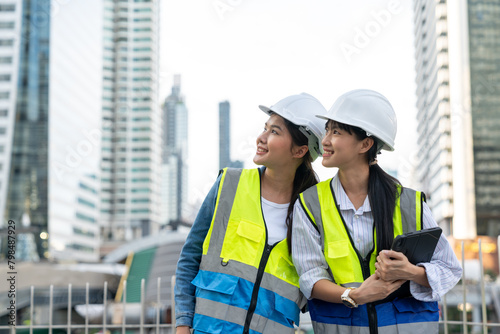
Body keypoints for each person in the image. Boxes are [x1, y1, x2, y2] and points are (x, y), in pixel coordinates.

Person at [291, 89, 462, 334]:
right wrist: (355, 295)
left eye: (336, 131)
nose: (325, 140)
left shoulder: (408, 202)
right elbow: (309, 277)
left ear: (366, 144)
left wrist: (410, 272)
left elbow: (449, 268)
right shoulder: (309, 204)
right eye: (327, 129)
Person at [174, 93, 327, 334]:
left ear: (299, 151)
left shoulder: (314, 212)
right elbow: (189, 257)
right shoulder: (229, 185)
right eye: (265, 129)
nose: (261, 138)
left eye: (274, 132)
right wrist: (182, 325)